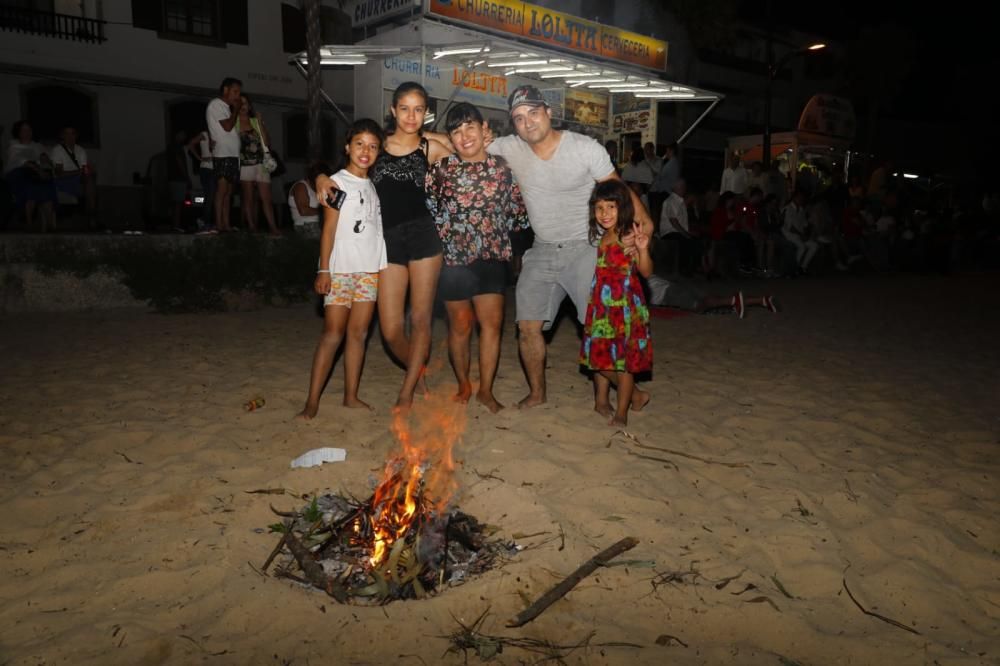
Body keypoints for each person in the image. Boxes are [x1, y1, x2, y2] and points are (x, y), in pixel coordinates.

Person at [484, 84, 654, 408]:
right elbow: (465, 144)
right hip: (542, 249)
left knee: (597, 327)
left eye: (533, 113)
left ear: (548, 112)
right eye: (519, 118)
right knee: (527, 326)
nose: (528, 123)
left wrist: (645, 224)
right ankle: (537, 393)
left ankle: (627, 394)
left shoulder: (583, 148)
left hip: (585, 248)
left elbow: (616, 187)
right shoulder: (508, 147)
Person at [316, 82, 451, 409]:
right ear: (393, 110)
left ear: (426, 113)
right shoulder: (377, 145)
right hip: (385, 241)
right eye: (404, 108)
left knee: (420, 319)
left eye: (419, 109)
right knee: (391, 330)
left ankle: (406, 392)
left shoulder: (431, 147)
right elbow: (340, 161)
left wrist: (457, 137)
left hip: (424, 236)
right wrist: (320, 177)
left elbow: (469, 147)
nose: (411, 115)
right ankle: (418, 374)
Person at [425, 103, 529, 413]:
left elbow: (517, 214)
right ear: (451, 138)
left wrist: (517, 252)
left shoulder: (503, 168)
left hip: (492, 257)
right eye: (456, 131)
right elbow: (430, 213)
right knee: (459, 327)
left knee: (492, 326)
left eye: (470, 127)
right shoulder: (440, 170)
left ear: (483, 129)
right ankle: (464, 386)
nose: (464, 136)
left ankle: (485, 390)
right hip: (453, 261)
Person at [298, 120, 387, 419]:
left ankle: (351, 396)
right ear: (348, 147)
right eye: (360, 144)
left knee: (359, 334)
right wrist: (324, 271)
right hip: (341, 270)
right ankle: (312, 401)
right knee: (332, 334)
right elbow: (328, 231)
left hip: (368, 272)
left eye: (373, 146)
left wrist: (379, 269)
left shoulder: (372, 186)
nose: (366, 151)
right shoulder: (335, 184)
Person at [579, 180, 653, 427]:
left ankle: (623, 411)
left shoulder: (628, 235)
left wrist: (643, 250)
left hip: (624, 308)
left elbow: (646, 272)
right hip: (601, 306)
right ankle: (602, 400)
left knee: (623, 364)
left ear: (622, 208)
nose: (605, 214)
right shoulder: (604, 235)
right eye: (600, 208)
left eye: (611, 207)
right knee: (599, 357)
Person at [237, 95, 280, 235]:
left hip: (261, 163)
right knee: (248, 197)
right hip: (244, 164)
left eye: (245, 103)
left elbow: (267, 142)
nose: (243, 106)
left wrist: (260, 123)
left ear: (249, 106)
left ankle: (273, 227)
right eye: (240, 103)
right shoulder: (234, 122)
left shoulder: (255, 121)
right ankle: (251, 226)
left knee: (266, 198)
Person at [4, 120, 56, 231]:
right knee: (31, 184)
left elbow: (49, 162)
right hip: (18, 174)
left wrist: (46, 160)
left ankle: (50, 223)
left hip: (36, 175)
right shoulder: (14, 146)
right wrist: (38, 170)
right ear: (18, 132)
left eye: (29, 130)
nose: (27, 132)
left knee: (46, 184)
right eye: (24, 130)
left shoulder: (37, 146)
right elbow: (20, 161)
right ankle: (29, 222)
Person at [205, 77, 242, 232]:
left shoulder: (226, 107)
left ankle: (226, 224)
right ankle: (219, 224)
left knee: (228, 193)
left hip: (232, 155)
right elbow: (227, 126)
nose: (237, 96)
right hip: (223, 155)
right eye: (235, 91)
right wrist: (237, 110)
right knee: (222, 191)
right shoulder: (216, 104)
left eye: (239, 92)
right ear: (225, 90)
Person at [50, 125, 97, 227]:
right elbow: (59, 173)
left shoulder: (80, 150)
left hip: (78, 180)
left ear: (76, 136)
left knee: (89, 181)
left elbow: (84, 169)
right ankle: (91, 218)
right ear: (62, 136)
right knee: (89, 185)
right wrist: (79, 172)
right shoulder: (57, 150)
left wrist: (87, 171)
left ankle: (91, 217)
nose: (70, 136)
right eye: (67, 133)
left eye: (72, 133)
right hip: (62, 182)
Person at [288, 161, 328, 237]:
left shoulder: (318, 187)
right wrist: (325, 211)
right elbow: (304, 211)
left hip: (318, 223)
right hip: (306, 225)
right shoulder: (301, 186)